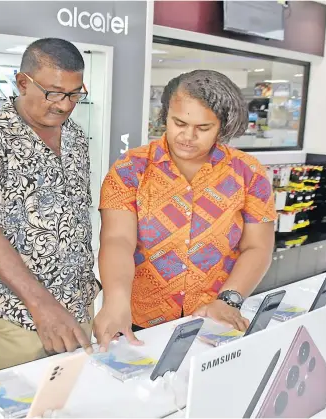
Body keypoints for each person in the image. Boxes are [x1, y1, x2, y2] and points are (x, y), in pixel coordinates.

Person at [94, 70, 277, 350]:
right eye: (179, 123)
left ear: (222, 126)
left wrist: (228, 300)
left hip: (216, 317)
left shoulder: (249, 173)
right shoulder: (131, 169)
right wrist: (115, 300)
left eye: (203, 128)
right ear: (165, 115)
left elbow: (258, 246)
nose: (188, 136)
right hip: (141, 319)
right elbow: (118, 240)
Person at [0, 38, 99, 371]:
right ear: (22, 82)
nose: (64, 105)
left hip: (79, 305)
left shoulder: (74, 135)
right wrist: (42, 305)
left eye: (75, 94)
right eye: (54, 93)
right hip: (22, 313)